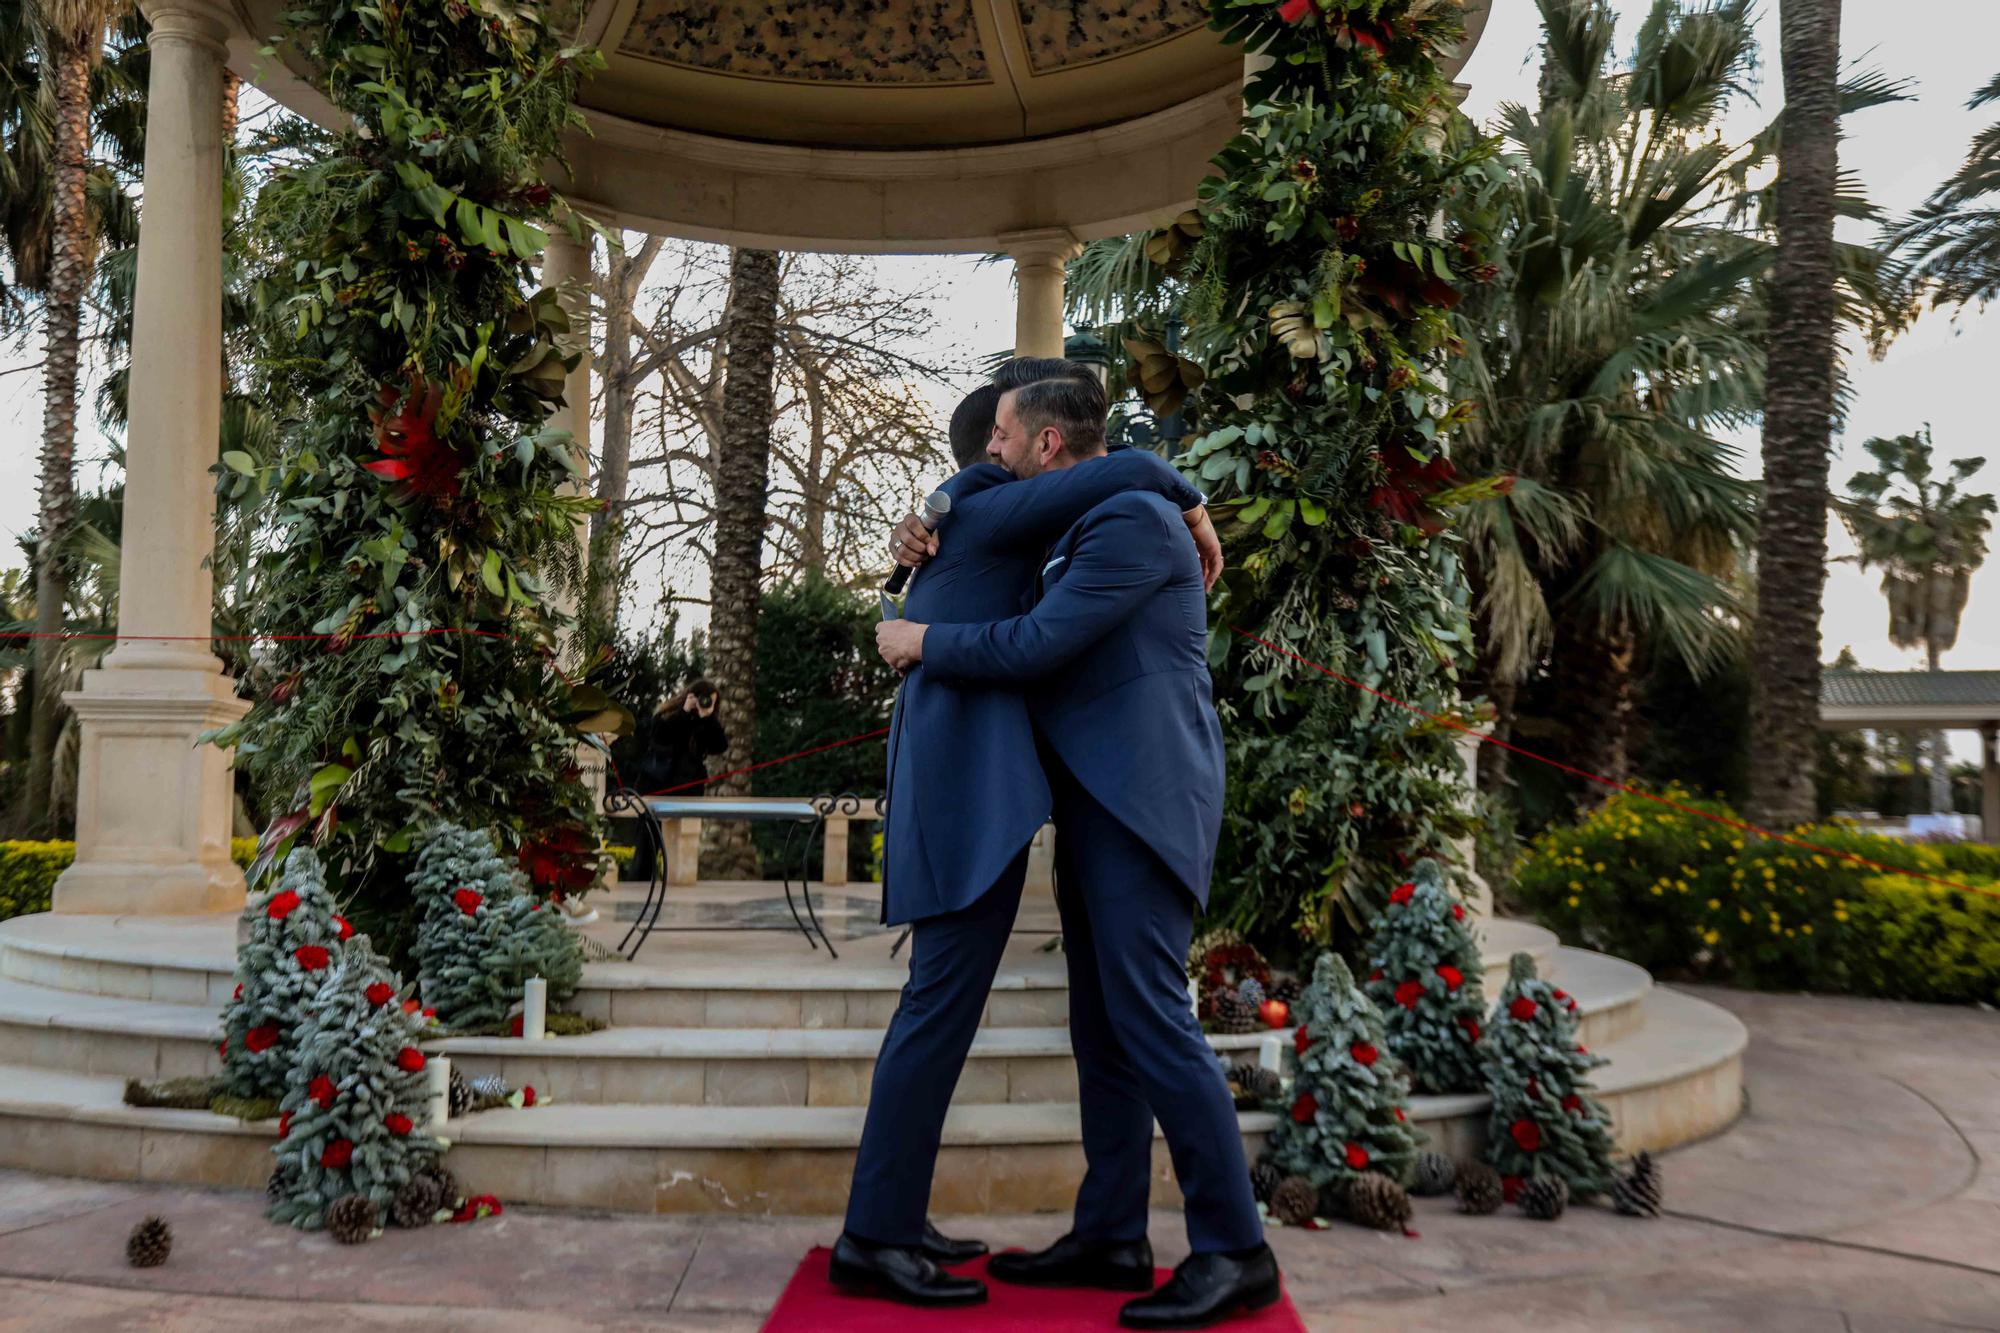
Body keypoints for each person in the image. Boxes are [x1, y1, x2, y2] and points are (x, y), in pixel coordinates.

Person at [872, 376, 1279, 1330]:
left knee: (1149, 1016)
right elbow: (981, 518)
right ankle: (1110, 1236)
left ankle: (1236, 1248)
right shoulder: (1072, 516)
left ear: (1048, 444)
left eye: (1003, 438)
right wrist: (927, 524)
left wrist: (923, 638)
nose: (990, 454)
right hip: (1094, 805)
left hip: (1142, 802)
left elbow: (1043, 641)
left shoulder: (1136, 517)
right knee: (1104, 1026)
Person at [628, 679, 727, 884]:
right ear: (691, 696)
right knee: (647, 845)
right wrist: (684, 712)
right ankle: (639, 889)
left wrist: (707, 719)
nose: (706, 704)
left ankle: (678, 888)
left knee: (683, 846)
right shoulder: (669, 714)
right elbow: (660, 736)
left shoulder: (706, 722)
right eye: (703, 699)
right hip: (657, 785)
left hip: (687, 789)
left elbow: (720, 746)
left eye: (711, 702)